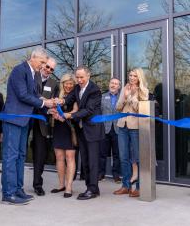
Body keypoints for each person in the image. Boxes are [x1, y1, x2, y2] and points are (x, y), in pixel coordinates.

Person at [1, 47, 55, 205]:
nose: (44, 66)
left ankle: (18, 189)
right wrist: (44, 102)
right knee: (10, 157)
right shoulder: (20, 70)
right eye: (42, 62)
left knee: (21, 156)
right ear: (33, 57)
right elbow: (23, 95)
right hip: (13, 119)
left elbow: (34, 95)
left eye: (46, 63)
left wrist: (49, 104)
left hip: (25, 120)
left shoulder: (34, 73)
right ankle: (8, 193)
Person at [59, 65, 105, 200]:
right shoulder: (77, 88)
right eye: (77, 77)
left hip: (93, 130)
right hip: (82, 130)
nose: (79, 80)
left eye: (81, 77)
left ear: (88, 75)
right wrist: (60, 101)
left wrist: (71, 116)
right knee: (85, 160)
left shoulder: (94, 90)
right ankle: (90, 187)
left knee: (92, 161)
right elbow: (69, 99)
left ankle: (92, 189)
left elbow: (88, 110)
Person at [113, 68, 149, 198]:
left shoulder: (144, 91)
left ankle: (139, 187)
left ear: (139, 77)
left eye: (135, 76)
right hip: (122, 125)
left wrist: (132, 96)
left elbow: (141, 109)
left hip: (136, 127)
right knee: (124, 157)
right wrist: (125, 96)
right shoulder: (124, 88)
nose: (132, 78)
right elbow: (117, 107)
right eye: (130, 75)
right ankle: (126, 186)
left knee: (138, 158)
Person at [32, 57, 59, 196]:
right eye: (47, 66)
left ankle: (37, 184)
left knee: (40, 154)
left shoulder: (54, 84)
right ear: (43, 64)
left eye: (52, 69)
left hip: (42, 122)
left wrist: (50, 109)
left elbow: (52, 102)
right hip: (26, 120)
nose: (48, 70)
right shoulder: (32, 76)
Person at [51, 74, 78, 198]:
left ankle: (69, 187)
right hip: (58, 128)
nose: (68, 85)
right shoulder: (57, 94)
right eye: (66, 83)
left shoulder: (76, 94)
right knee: (59, 157)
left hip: (70, 127)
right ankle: (61, 184)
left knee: (70, 157)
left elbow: (76, 111)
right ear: (62, 84)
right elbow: (52, 108)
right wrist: (55, 114)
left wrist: (65, 115)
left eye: (71, 83)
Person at [99, 78, 121, 183]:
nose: (113, 85)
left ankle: (116, 175)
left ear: (119, 87)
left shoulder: (122, 97)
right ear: (109, 84)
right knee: (102, 153)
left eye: (116, 84)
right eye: (112, 83)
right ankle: (101, 174)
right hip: (105, 129)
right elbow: (99, 111)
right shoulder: (102, 97)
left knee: (117, 154)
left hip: (117, 130)